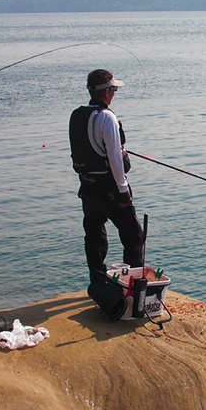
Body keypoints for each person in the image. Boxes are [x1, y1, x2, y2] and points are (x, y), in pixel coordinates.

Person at [69, 69, 144, 285]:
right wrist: (123, 191)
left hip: (87, 187)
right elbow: (115, 159)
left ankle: (97, 281)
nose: (114, 94)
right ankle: (132, 286)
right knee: (133, 236)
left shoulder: (77, 115)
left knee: (94, 237)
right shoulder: (106, 117)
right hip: (109, 188)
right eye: (114, 90)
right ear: (107, 92)